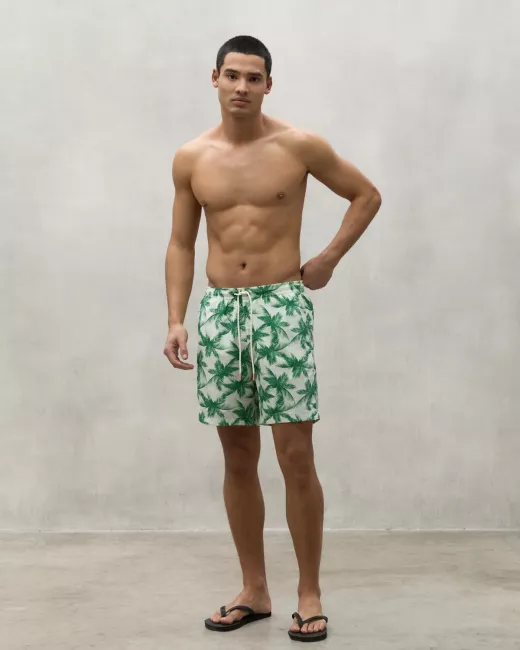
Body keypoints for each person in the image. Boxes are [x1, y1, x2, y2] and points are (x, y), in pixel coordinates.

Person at [163, 35, 382, 643]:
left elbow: (366, 196)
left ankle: (309, 593)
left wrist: (328, 259)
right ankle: (254, 590)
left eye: (253, 77)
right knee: (237, 457)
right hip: (220, 312)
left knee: (295, 455)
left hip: (281, 307)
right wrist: (177, 318)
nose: (242, 87)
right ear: (214, 78)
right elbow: (181, 242)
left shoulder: (298, 146)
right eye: (232, 75)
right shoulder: (191, 157)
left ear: (267, 85)